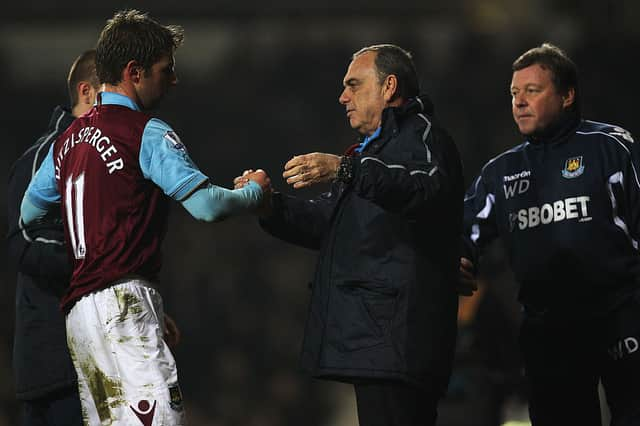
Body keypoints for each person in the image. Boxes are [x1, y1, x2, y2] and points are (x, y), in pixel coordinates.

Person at [20, 10, 270, 425]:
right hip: (125, 302)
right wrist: (254, 194)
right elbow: (206, 205)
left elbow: (30, 212)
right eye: (165, 70)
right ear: (134, 72)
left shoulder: (68, 140)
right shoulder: (145, 132)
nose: (173, 80)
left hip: (81, 317)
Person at [238, 44, 464, 426]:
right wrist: (270, 206)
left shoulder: (423, 135)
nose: (343, 96)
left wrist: (346, 170)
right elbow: (328, 221)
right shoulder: (368, 151)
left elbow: (427, 190)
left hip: (399, 336)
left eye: (354, 85)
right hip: (375, 339)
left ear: (389, 86)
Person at [461, 42, 640, 425]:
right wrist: (459, 258)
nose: (519, 102)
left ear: (567, 95)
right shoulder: (500, 173)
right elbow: (465, 233)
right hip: (549, 330)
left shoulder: (612, 147)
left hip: (620, 318)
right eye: (513, 93)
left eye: (532, 90)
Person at [6, 49, 99, 426]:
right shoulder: (45, 156)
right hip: (59, 364)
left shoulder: (103, 160)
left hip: (98, 360)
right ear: (88, 92)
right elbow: (23, 242)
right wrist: (109, 269)